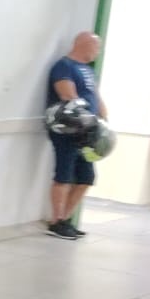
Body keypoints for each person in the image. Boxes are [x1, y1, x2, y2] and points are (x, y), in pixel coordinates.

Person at [45, 32, 108, 240]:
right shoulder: (64, 66)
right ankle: (56, 221)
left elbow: (95, 95)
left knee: (86, 178)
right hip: (68, 130)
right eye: (96, 47)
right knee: (64, 175)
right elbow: (67, 95)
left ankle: (65, 219)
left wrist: (102, 118)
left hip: (88, 133)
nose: (98, 51)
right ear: (84, 44)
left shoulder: (88, 70)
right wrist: (85, 117)